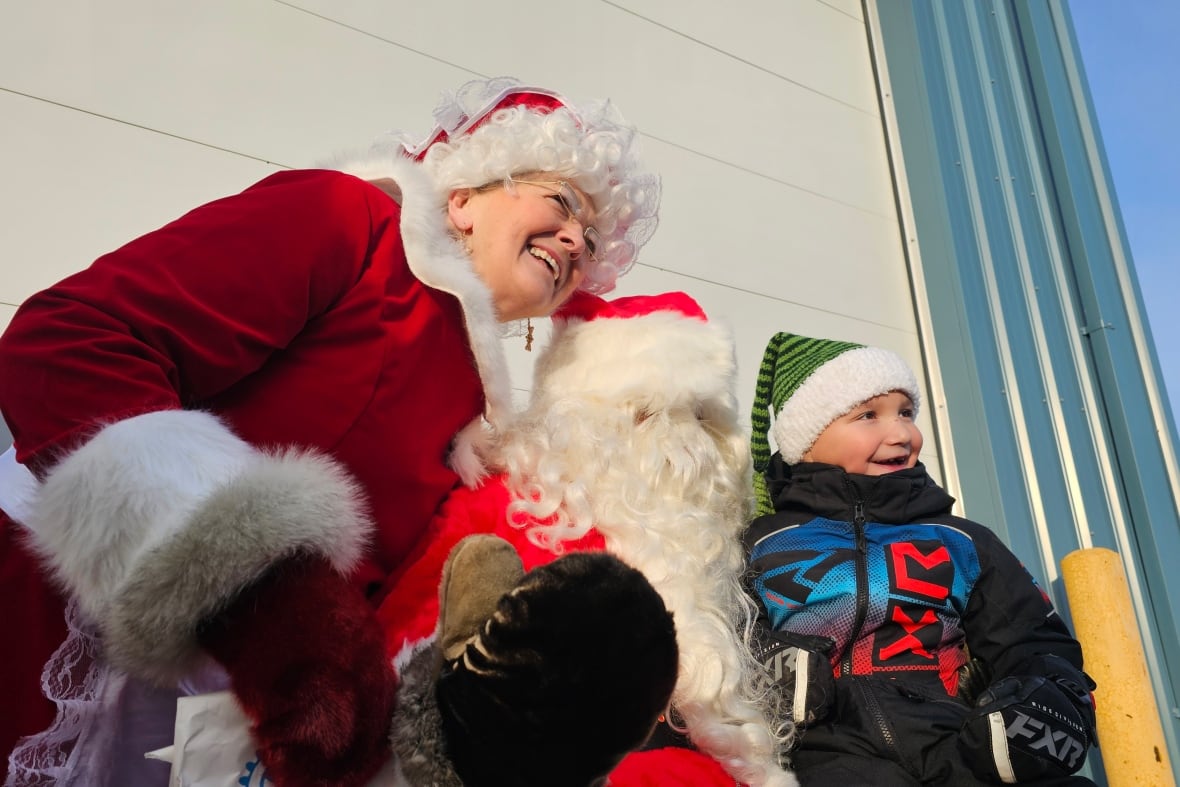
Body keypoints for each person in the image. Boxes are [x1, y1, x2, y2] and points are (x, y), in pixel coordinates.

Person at [0, 76, 661, 787]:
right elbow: (70, 341)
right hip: (58, 628)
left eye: (590, 240)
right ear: (465, 194)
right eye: (561, 203)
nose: (574, 240)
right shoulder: (349, 220)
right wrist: (272, 600)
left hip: (201, 724)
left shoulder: (477, 408)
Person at [377, 291, 797, 787]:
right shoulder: (501, 505)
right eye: (645, 414)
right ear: (574, 424)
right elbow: (407, 644)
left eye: (699, 419)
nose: (681, 446)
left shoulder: (709, 558)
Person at [744, 332, 1098, 786]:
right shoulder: (764, 542)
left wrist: (1052, 696)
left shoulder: (960, 540)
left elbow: (1031, 638)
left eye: (906, 412)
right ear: (806, 441)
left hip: (957, 737)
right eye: (868, 415)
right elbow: (720, 635)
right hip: (823, 745)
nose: (902, 433)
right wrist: (769, 661)